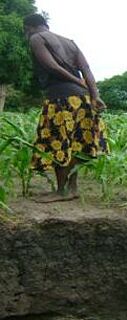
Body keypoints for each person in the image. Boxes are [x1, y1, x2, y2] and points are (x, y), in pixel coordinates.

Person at [23, 14, 109, 203]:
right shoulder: (70, 43)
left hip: (60, 99)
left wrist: (76, 80)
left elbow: (51, 66)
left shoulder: (36, 38)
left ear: (28, 28)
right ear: (46, 25)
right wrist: (95, 95)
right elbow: (86, 69)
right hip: (82, 99)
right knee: (74, 143)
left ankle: (62, 191)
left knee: (58, 142)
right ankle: (72, 188)